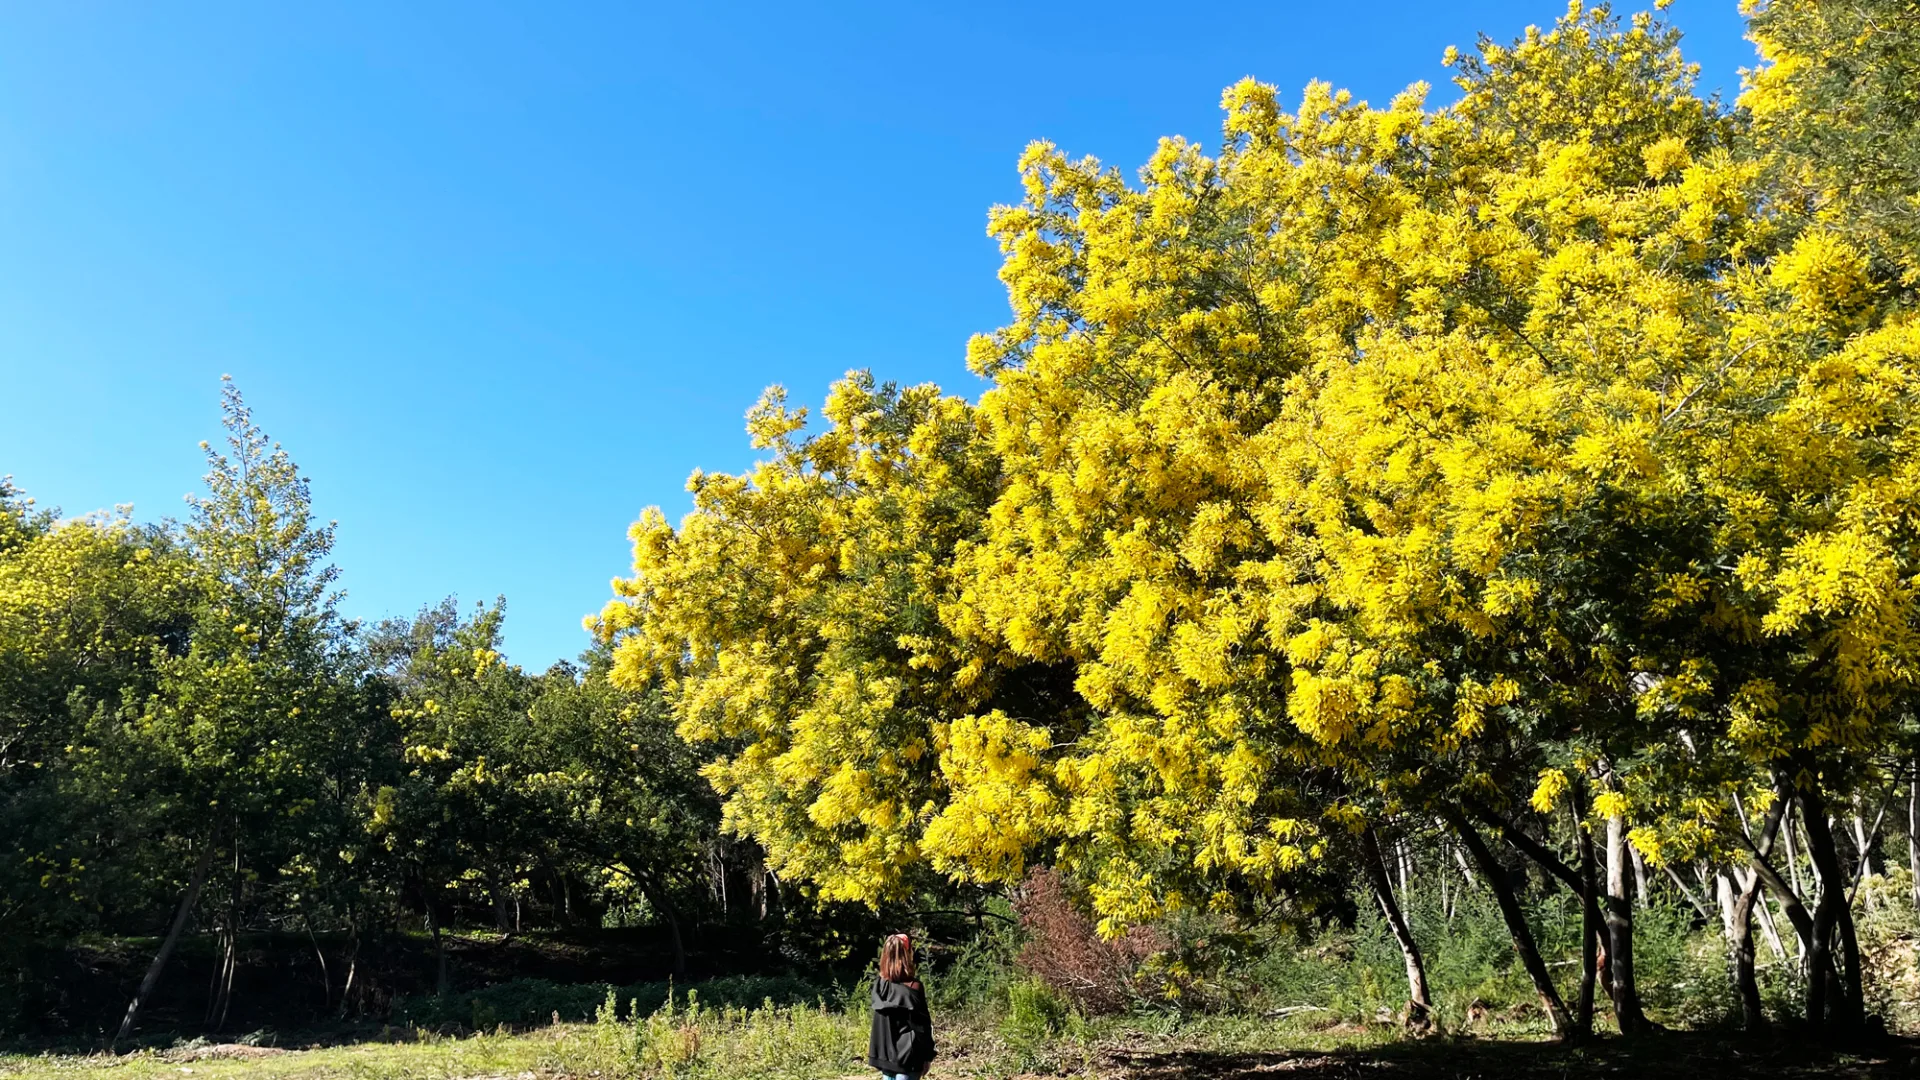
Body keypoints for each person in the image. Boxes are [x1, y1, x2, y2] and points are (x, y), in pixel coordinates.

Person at [867, 932, 935, 1080]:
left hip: (885, 1059)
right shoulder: (914, 987)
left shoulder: (879, 986)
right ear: (907, 954)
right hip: (909, 1059)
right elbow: (922, 1027)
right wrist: (928, 1056)